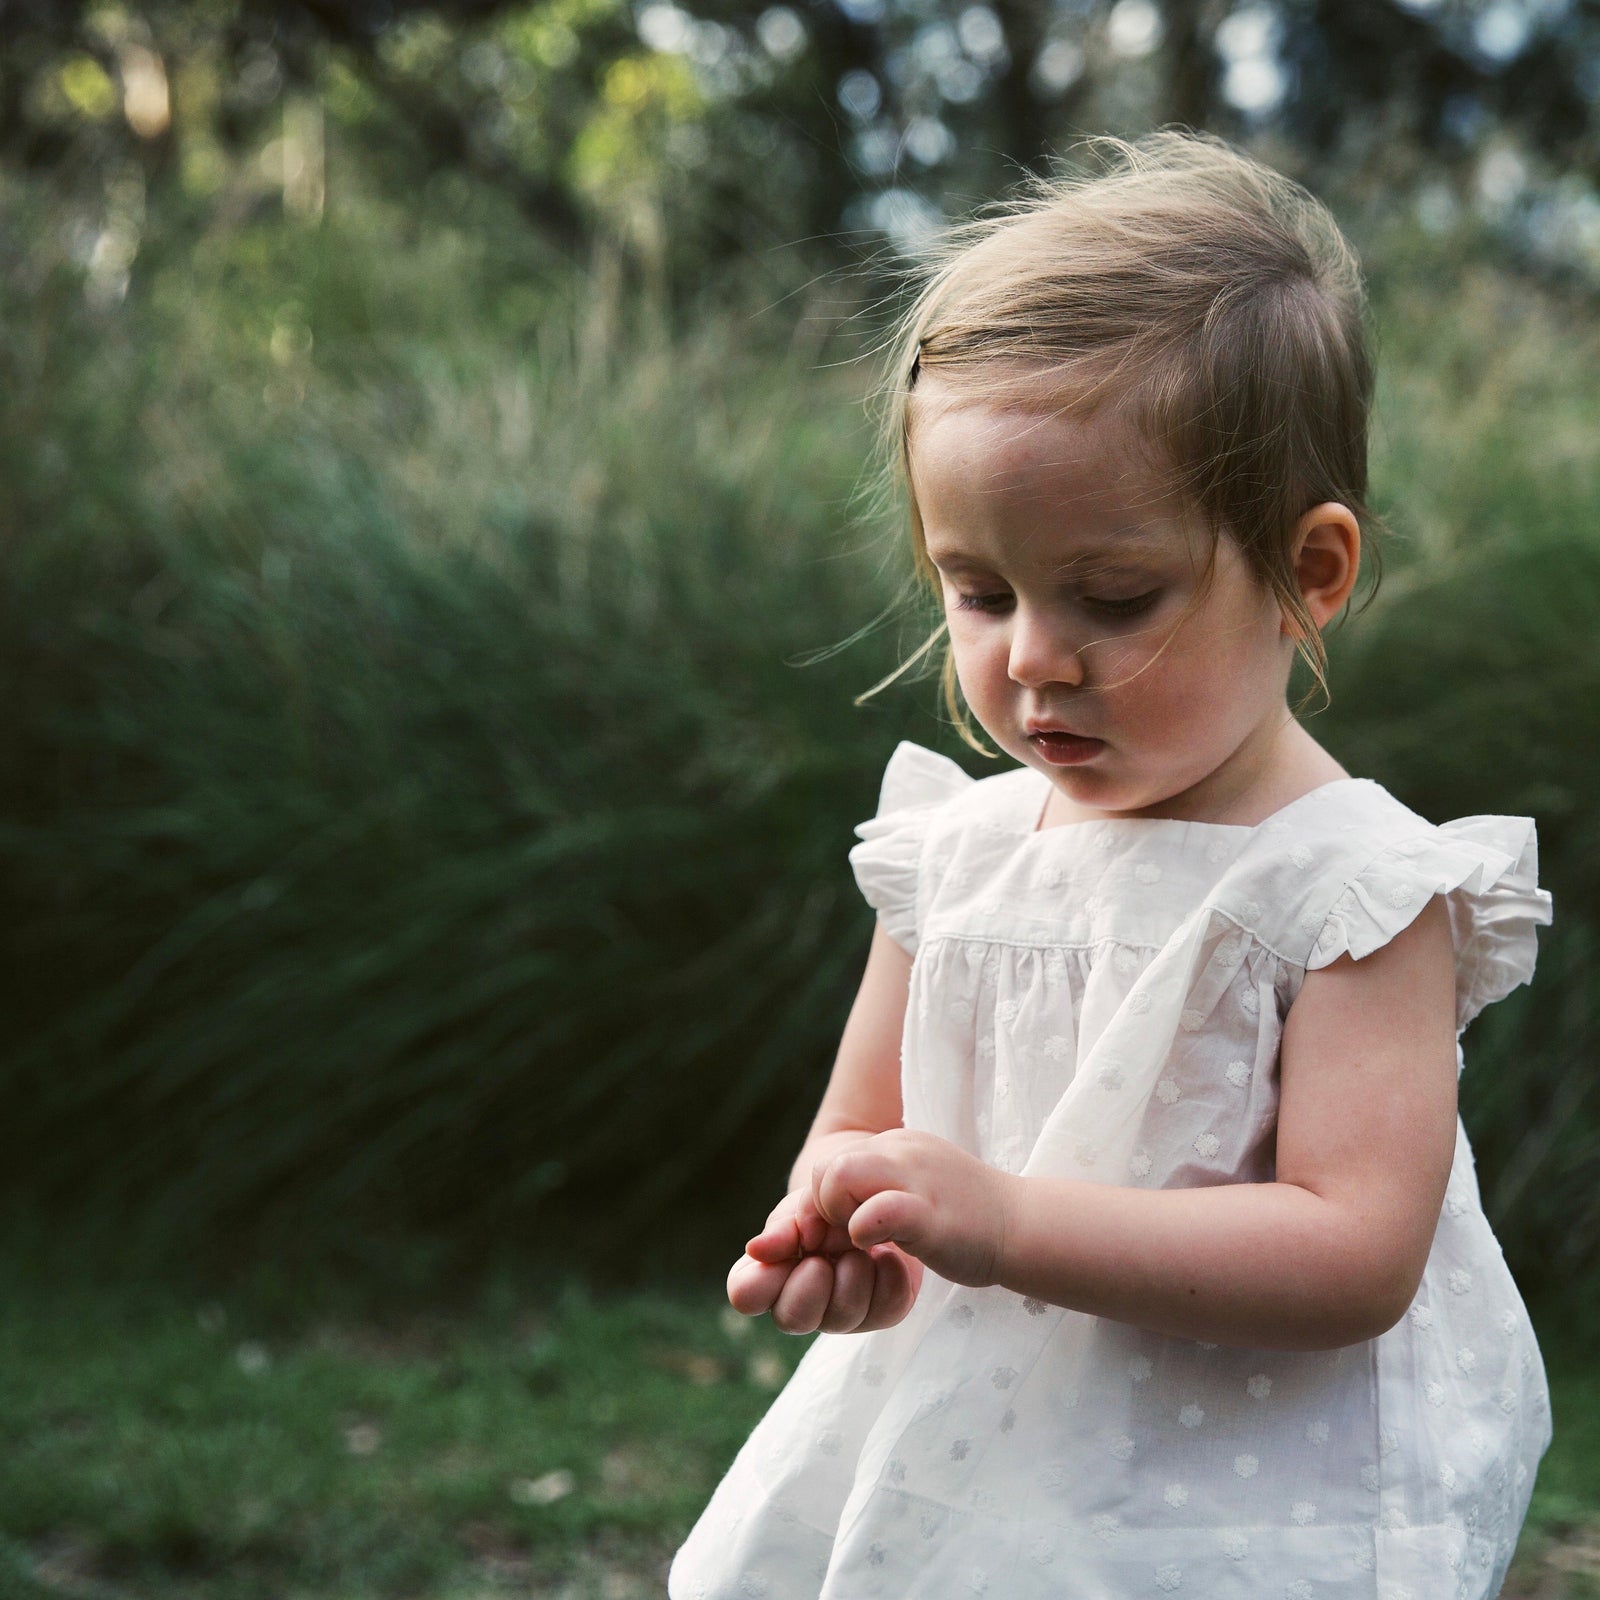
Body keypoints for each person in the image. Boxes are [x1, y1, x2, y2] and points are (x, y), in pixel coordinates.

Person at [668, 131, 1552, 1600]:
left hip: (1232, 1499)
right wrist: (841, 1224)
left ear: (1307, 572)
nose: (1031, 660)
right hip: (970, 1457)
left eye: (1114, 595)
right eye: (978, 588)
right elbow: (863, 1125)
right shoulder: (953, 860)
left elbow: (1353, 1254)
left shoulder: (1348, 893)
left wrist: (1008, 1224)